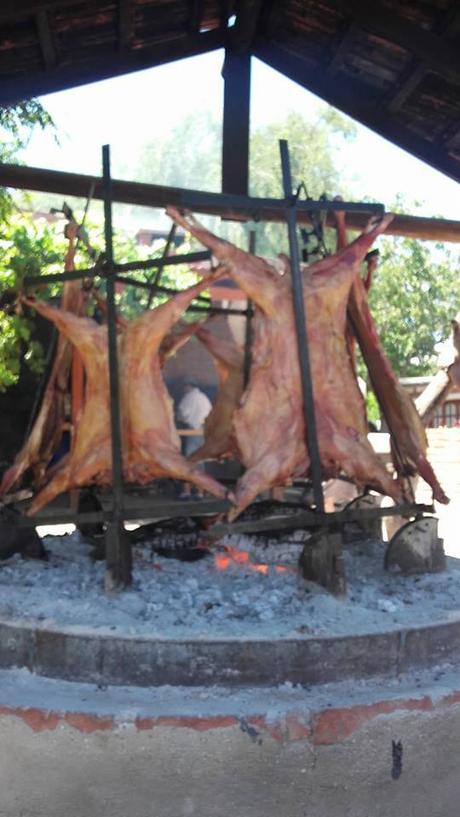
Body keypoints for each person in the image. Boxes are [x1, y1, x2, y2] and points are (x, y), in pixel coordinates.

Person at [176, 381, 212, 498]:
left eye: (183, 387)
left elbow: (182, 414)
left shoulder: (188, 397)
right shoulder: (204, 398)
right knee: (200, 461)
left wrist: (177, 418)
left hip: (192, 431)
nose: (182, 390)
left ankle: (187, 492)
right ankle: (200, 492)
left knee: (189, 461)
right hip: (203, 432)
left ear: (188, 386)